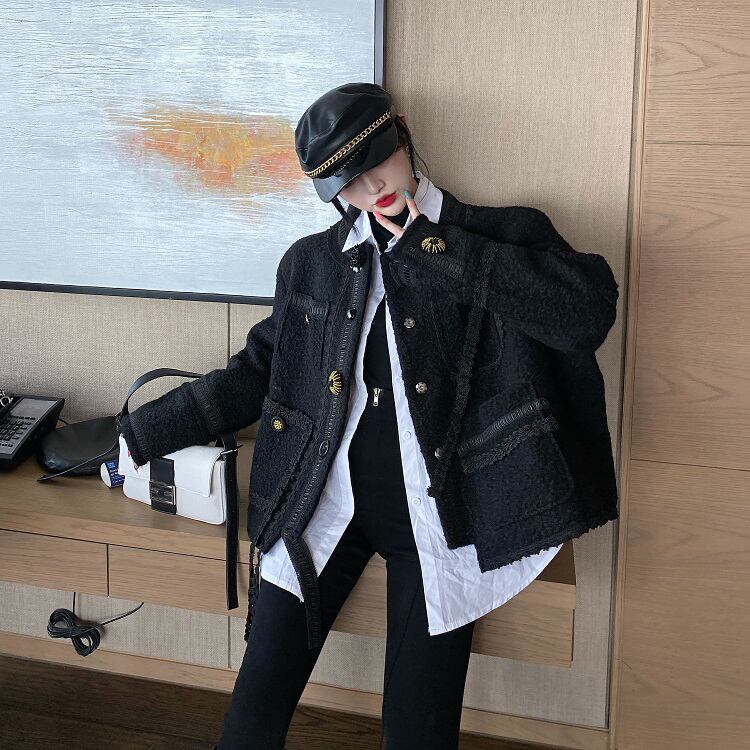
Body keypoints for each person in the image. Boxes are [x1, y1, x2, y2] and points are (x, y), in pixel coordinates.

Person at [120, 82, 619, 749]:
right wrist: (142, 433)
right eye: (347, 183)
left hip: (444, 515)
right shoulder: (314, 264)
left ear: (403, 133)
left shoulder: (501, 233)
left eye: (375, 163)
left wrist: (434, 247)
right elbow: (259, 371)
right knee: (250, 720)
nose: (370, 189)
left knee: (416, 733)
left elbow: (585, 314)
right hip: (324, 500)